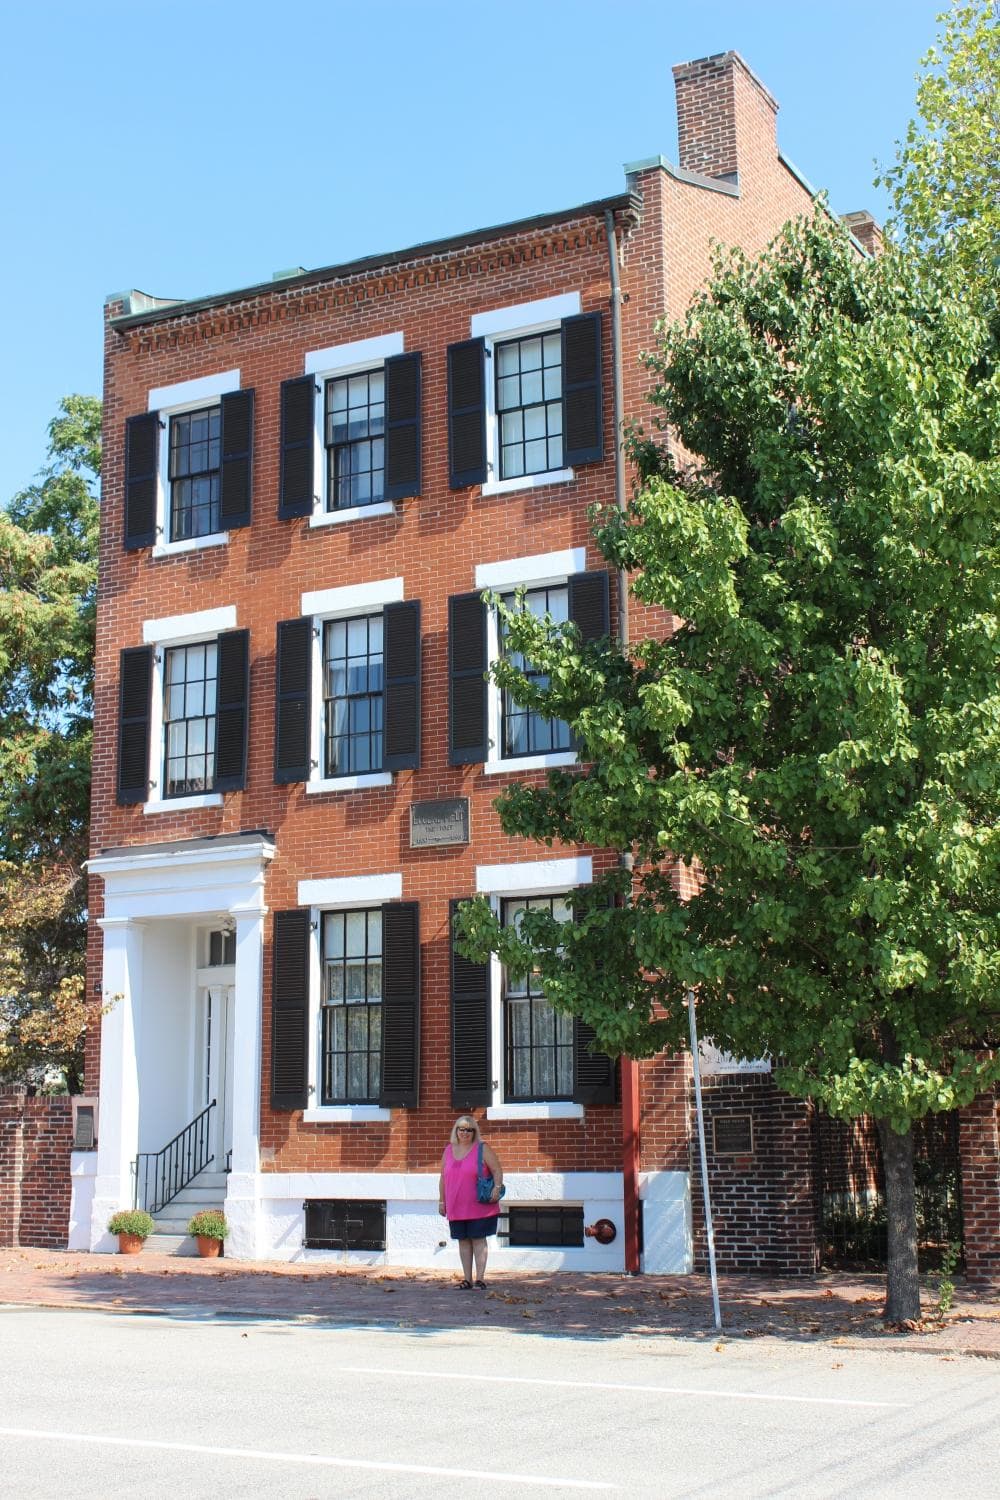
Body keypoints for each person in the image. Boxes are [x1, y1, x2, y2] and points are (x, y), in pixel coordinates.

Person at [438, 1116, 504, 1289]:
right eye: (461, 1129)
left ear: (474, 1132)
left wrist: (497, 1188)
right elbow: (443, 1177)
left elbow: (497, 1170)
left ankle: (480, 1279)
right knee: (463, 1241)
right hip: (456, 1205)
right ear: (456, 1130)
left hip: (479, 1205)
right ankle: (467, 1279)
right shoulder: (448, 1150)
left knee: (478, 1240)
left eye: (469, 1129)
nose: (465, 1132)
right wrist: (441, 1201)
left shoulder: (482, 1148)